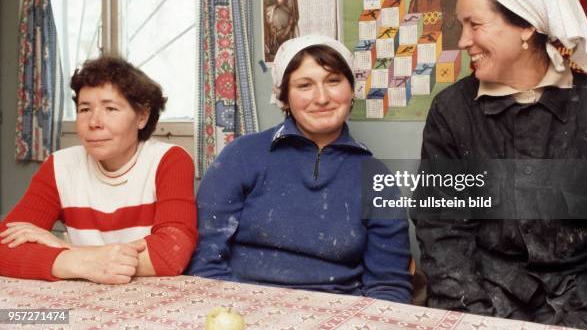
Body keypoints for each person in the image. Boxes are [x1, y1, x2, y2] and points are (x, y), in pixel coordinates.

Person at [415, 0, 587, 329]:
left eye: (475, 24)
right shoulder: (452, 111)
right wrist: (478, 318)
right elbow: (442, 229)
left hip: (585, 300)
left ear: (525, 28)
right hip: (481, 296)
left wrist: (583, 320)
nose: (463, 41)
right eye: (462, 25)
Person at [188, 34, 412, 303]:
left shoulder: (377, 178)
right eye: (304, 85)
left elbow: (388, 285)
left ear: (352, 90)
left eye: (333, 81)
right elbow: (205, 262)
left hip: (337, 312)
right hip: (242, 308)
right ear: (284, 97)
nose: (321, 98)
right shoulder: (241, 156)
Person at [0, 56, 197, 284]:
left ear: (142, 116)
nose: (94, 122)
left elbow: (171, 253)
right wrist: (83, 262)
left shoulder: (169, 160)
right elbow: (4, 248)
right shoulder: (59, 166)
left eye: (110, 109)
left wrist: (68, 250)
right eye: (84, 109)